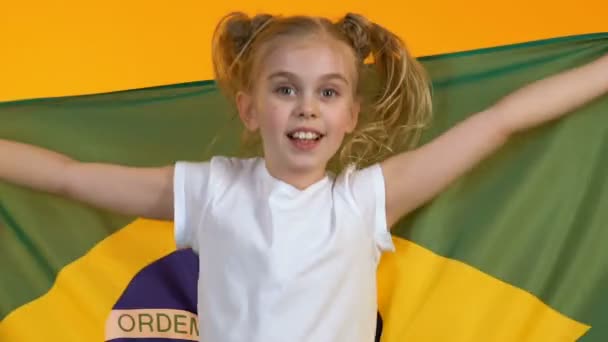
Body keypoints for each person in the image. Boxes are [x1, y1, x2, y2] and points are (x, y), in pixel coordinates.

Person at [1, 11, 607, 342]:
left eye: (328, 92)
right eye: (285, 89)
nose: (306, 107)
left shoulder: (366, 200)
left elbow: (500, 123)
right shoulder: (209, 191)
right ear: (249, 107)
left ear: (350, 115)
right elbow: (68, 176)